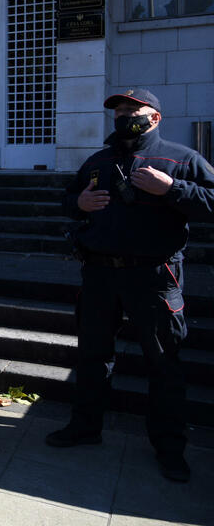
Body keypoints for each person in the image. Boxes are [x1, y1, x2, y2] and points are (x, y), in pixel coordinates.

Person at [46, 88, 214, 483]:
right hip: (100, 274)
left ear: (153, 116)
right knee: (92, 355)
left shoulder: (180, 158)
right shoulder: (98, 160)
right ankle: (85, 427)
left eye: (130, 109)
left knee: (164, 362)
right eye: (118, 110)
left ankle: (169, 447)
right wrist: (78, 205)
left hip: (154, 277)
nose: (122, 115)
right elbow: (69, 199)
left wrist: (171, 188)